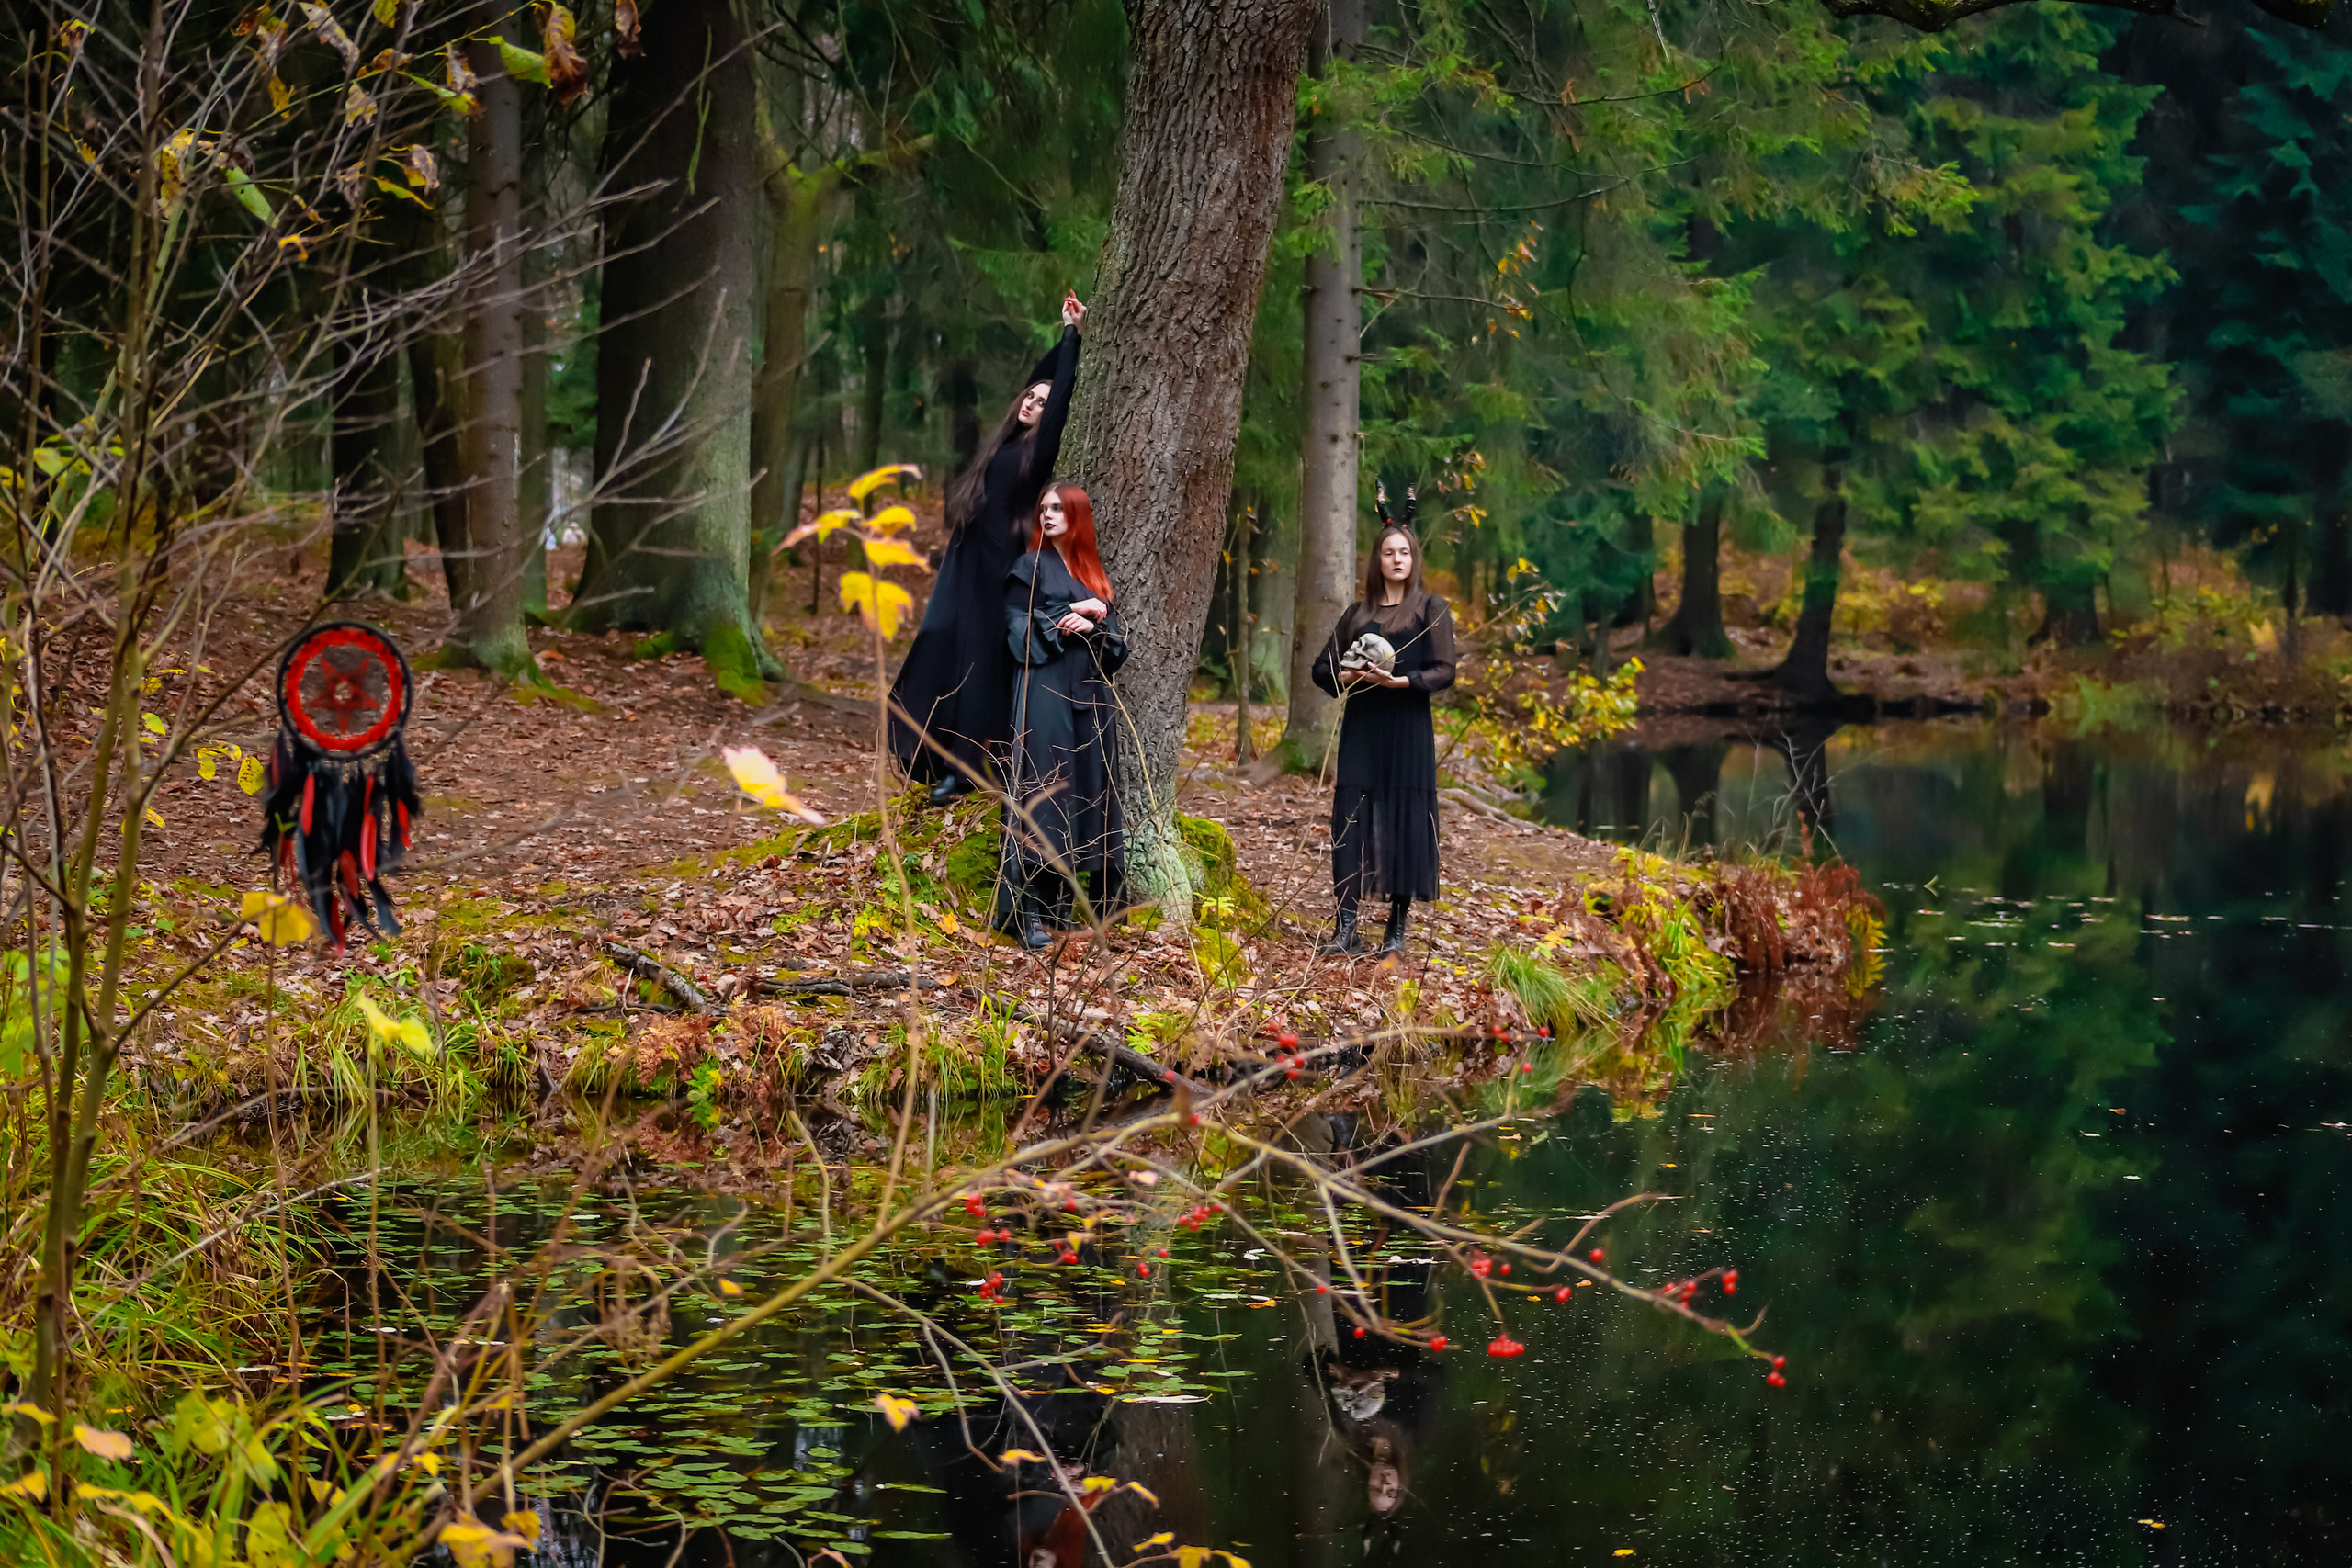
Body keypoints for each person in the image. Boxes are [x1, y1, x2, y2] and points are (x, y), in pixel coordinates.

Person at [888, 295, 1086, 806]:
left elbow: (1059, 395)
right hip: (963, 566)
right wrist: (1058, 332)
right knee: (938, 648)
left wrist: (1074, 339)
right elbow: (1041, 381)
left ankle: (966, 770)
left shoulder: (1035, 453)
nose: (1033, 404)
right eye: (1029, 397)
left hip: (996, 571)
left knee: (979, 668)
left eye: (1042, 405)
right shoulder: (1003, 441)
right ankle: (933, 756)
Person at [1310, 500, 1455, 954]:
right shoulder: (1357, 613)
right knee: (1350, 818)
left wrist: (1403, 681)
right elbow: (1321, 669)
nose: (1397, 559)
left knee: (1405, 820)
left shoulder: (1430, 609)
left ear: (1413, 560)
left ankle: (1395, 930)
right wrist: (1348, 676)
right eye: (1389, 552)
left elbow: (1444, 670)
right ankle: (1346, 926)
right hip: (1364, 729)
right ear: (1377, 560)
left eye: (1405, 553)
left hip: (1408, 730)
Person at [995, 485, 1128, 949]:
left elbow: (1114, 648)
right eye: (1044, 508)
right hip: (1043, 690)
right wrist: (1070, 611)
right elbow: (1015, 630)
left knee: (1086, 794)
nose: (1048, 515)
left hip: (1089, 696)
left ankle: (1059, 911)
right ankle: (1025, 913)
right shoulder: (1028, 567)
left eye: (1058, 508)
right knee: (1041, 789)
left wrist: (1094, 625)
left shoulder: (1093, 575)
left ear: (1078, 516)